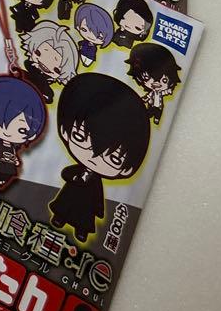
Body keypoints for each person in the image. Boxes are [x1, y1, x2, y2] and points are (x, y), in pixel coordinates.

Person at [49, 74, 151, 242]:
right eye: (80, 137)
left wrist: (98, 209)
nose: (94, 157)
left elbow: (97, 196)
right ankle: (59, 218)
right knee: (64, 206)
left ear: (126, 169)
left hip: (86, 204)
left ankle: (81, 230)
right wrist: (72, 177)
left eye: (114, 159)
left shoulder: (96, 182)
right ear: (65, 132)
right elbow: (67, 173)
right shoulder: (78, 171)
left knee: (84, 217)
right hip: (70, 193)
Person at [0, 75, 47, 189]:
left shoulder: (13, 148)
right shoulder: (0, 144)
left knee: (8, 172)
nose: (10, 133)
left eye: (23, 130)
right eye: (3, 123)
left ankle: (2, 180)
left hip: (8, 165)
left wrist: (15, 161)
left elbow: (14, 156)